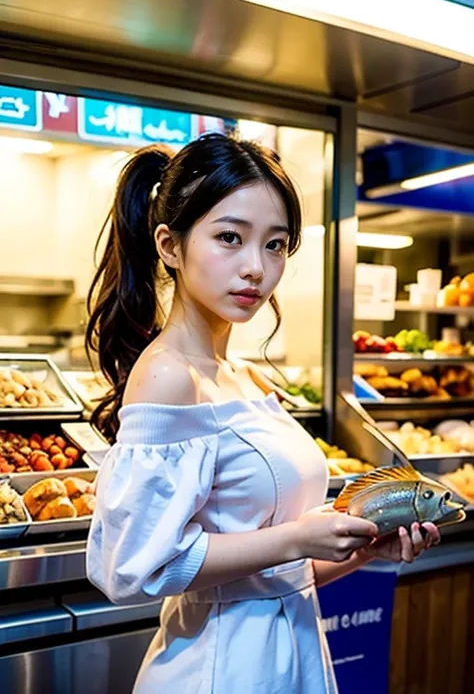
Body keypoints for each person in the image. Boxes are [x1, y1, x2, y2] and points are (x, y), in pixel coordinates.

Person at [85, 133, 440, 694]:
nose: (256, 267)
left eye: (275, 245)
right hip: (218, 668)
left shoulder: (243, 376)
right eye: (230, 237)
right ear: (170, 246)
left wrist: (360, 547)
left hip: (287, 655)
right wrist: (298, 538)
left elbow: (279, 572)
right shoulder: (169, 373)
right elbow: (135, 567)